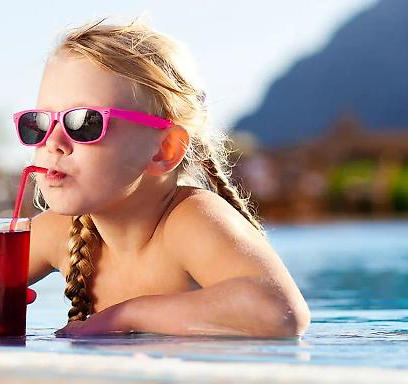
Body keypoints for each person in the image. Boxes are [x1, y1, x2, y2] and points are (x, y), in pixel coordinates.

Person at [20, 20, 310, 337]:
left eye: (85, 123)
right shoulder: (60, 231)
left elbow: (279, 313)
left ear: (164, 149)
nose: (53, 142)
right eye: (39, 122)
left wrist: (127, 316)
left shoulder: (189, 221)